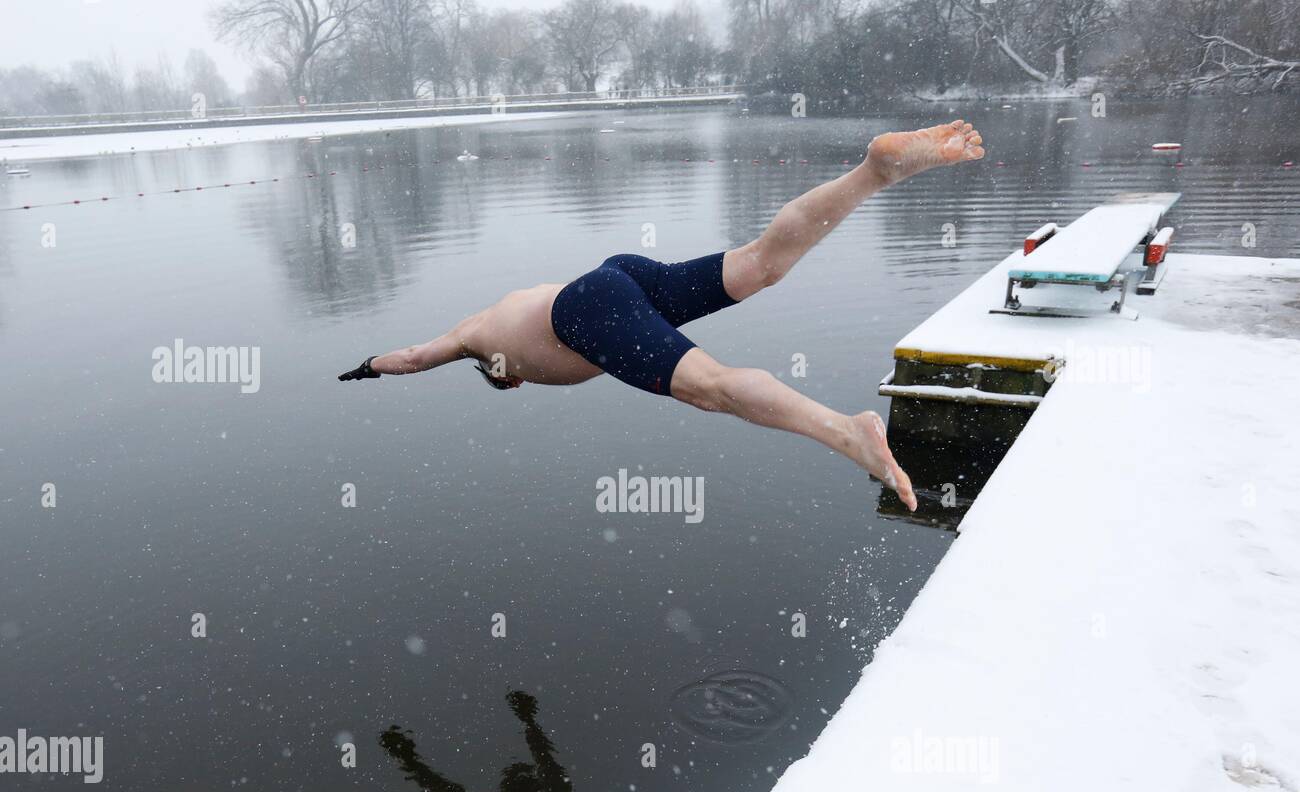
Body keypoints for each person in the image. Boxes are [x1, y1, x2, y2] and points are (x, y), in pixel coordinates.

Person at [338, 121, 987, 511]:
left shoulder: (472, 341)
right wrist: (372, 362)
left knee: (712, 388)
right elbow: (415, 355)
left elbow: (413, 359)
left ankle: (846, 432)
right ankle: (873, 173)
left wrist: (366, 370)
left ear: (502, 376)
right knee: (759, 263)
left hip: (586, 307)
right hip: (619, 276)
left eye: (509, 383)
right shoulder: (495, 310)